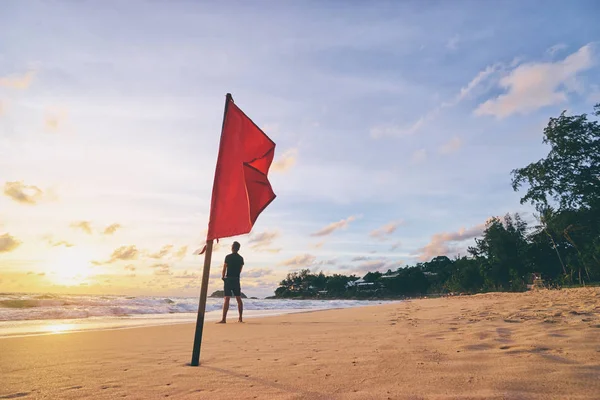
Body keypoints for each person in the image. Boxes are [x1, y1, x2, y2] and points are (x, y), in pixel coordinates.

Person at [218, 241, 244, 323]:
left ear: (232, 248)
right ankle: (240, 318)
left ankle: (224, 319)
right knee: (238, 298)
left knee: (227, 298)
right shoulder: (240, 258)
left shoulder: (228, 257)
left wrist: (223, 277)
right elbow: (240, 270)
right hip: (236, 279)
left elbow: (224, 268)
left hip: (228, 279)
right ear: (238, 249)